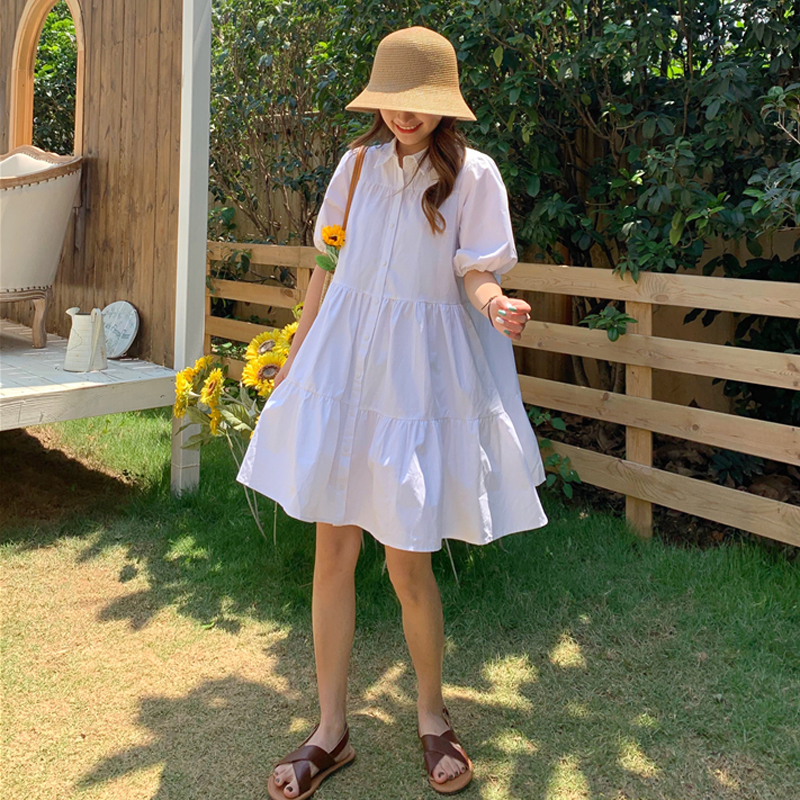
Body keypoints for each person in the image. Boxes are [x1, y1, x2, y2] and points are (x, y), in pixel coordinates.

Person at [237, 25, 548, 799]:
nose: (405, 114)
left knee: (408, 561)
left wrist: (497, 304)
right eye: (393, 99)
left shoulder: (475, 176)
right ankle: (329, 731)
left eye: (420, 101)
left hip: (414, 383)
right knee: (331, 552)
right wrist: (297, 353)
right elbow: (326, 266)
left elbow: (475, 273)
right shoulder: (354, 167)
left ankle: (433, 716)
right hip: (343, 371)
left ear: (445, 103)